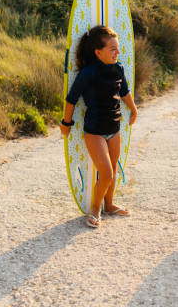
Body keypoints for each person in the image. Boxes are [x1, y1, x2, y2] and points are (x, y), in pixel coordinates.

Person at [60, 25, 138, 228]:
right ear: (98, 52)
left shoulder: (118, 68)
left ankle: (110, 205)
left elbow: (124, 91)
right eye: (112, 49)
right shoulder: (88, 73)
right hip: (94, 131)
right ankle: (95, 209)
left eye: (117, 48)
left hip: (114, 127)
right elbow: (71, 100)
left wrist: (134, 109)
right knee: (107, 174)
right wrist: (66, 123)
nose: (117, 52)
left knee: (113, 170)